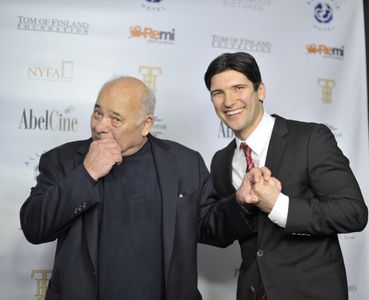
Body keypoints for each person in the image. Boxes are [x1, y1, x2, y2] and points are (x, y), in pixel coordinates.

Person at [20, 76, 273, 300]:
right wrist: (87, 173)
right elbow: (34, 227)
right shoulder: (63, 160)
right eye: (98, 112)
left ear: (146, 125)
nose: (99, 126)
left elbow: (210, 228)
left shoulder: (185, 163)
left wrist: (239, 203)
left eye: (115, 119)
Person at [203, 52, 369, 300]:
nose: (228, 101)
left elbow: (353, 212)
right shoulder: (221, 161)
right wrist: (238, 203)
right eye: (218, 93)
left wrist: (279, 206)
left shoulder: (310, 139)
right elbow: (218, 234)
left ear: (260, 91)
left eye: (238, 88)